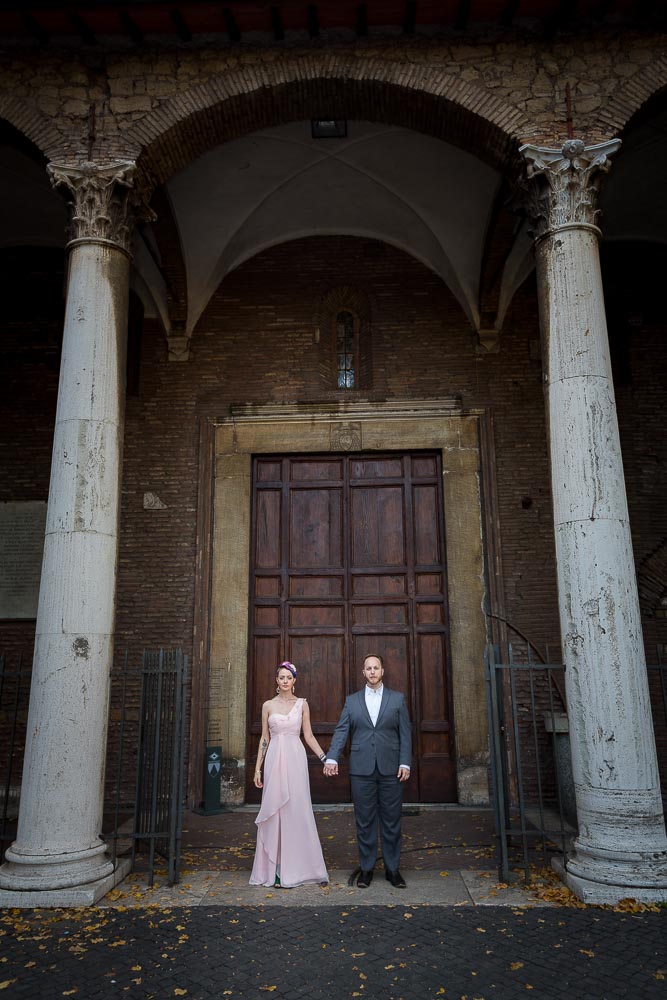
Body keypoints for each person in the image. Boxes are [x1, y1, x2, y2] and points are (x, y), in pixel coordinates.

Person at [324, 653, 412, 888]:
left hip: (391, 770)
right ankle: (366, 869)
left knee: (392, 821)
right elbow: (342, 731)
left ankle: (393, 870)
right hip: (361, 771)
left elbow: (406, 733)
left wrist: (405, 762)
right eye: (368, 668)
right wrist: (332, 756)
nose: (372, 672)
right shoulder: (352, 701)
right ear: (363, 673)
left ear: (383, 671)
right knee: (364, 822)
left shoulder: (397, 699)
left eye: (376, 668)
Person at [249, 660, 329, 888]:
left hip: (295, 758)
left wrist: (325, 758)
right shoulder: (267, 706)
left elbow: (309, 736)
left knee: (297, 810)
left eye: (289, 678)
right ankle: (274, 868)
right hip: (274, 758)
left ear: (294, 681)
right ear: (277, 680)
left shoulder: (302, 705)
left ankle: (298, 867)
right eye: (281, 677)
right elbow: (265, 738)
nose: (285, 681)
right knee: (276, 811)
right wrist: (258, 768)